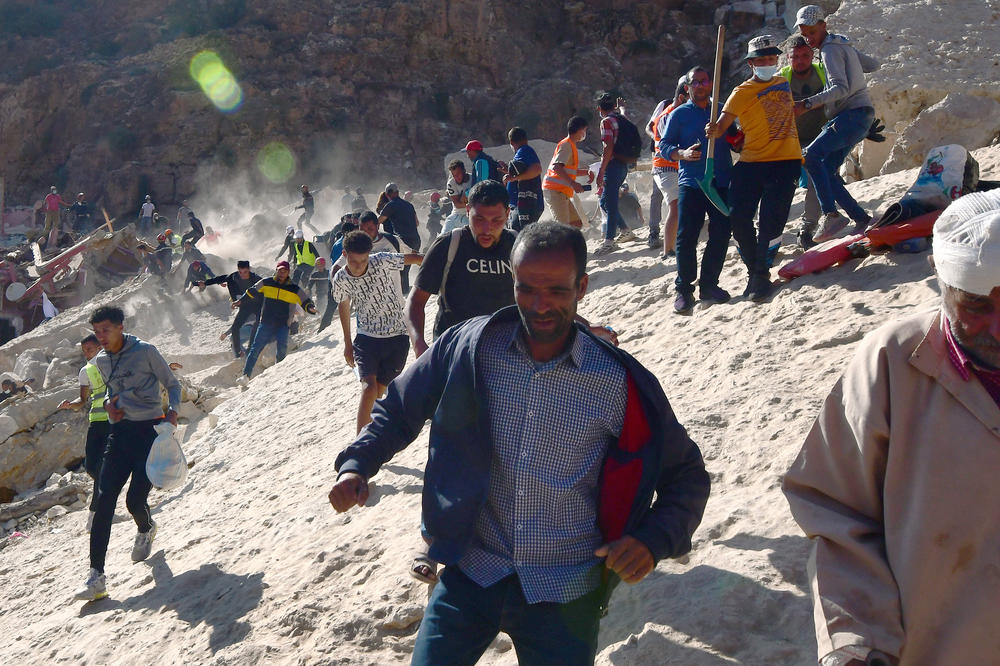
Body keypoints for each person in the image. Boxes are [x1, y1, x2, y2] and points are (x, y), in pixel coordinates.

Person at [329, 222, 710, 664]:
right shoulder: (469, 348)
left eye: (556, 291)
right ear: (512, 283)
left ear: (582, 286)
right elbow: (397, 409)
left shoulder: (618, 382)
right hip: (471, 568)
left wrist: (652, 539)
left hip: (566, 590)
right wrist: (357, 464)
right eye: (527, 289)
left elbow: (687, 476)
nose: (540, 305)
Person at [782, 191, 1000, 666]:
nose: (999, 328)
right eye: (978, 307)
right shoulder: (892, 363)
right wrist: (857, 643)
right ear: (943, 288)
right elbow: (835, 512)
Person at [73, 306, 181, 601]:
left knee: (135, 500)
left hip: (149, 434)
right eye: (97, 332)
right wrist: (109, 404)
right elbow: (110, 391)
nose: (101, 337)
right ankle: (96, 577)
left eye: (105, 330)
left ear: (121, 326)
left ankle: (146, 527)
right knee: (105, 499)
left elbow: (172, 384)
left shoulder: (145, 351)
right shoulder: (101, 361)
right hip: (118, 435)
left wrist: (172, 412)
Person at [707, 35, 802, 302]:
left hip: (786, 162)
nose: (767, 63)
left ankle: (761, 275)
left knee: (771, 221)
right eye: (761, 60)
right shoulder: (741, 92)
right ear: (751, 63)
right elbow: (724, 123)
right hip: (751, 164)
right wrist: (715, 130)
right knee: (738, 218)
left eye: (771, 59)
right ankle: (753, 271)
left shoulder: (783, 82)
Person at [795, 4, 881, 241]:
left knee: (810, 156)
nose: (809, 38)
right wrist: (849, 52)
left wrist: (806, 104)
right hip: (861, 116)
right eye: (805, 33)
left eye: (812, 32)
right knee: (828, 171)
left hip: (850, 114)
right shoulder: (839, 44)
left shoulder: (829, 50)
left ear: (824, 25)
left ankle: (831, 215)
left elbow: (840, 88)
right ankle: (861, 218)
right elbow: (874, 65)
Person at [405, 180, 518, 357]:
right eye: (479, 219)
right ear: (467, 211)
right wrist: (419, 345)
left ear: (508, 214)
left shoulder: (519, 246)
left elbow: (544, 296)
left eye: (496, 220)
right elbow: (415, 302)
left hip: (505, 353)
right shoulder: (448, 245)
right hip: (454, 352)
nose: (487, 229)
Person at [661, 65, 739, 314]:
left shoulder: (722, 112)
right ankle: (684, 290)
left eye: (705, 81)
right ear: (688, 87)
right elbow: (664, 146)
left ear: (711, 84)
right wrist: (682, 153)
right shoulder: (679, 114)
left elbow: (737, 142)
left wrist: (724, 132)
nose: (701, 85)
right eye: (696, 82)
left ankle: (708, 285)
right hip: (692, 182)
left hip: (721, 181)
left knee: (721, 233)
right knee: (686, 237)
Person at [331, 231, 423, 433]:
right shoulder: (340, 278)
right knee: (369, 388)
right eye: (354, 261)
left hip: (398, 337)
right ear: (345, 254)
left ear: (370, 254)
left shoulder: (381, 260)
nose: (359, 266)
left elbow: (417, 259)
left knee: (379, 392)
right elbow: (343, 307)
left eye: (364, 260)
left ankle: (370, 432)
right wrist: (348, 344)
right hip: (366, 338)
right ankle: (360, 445)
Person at [57, 335, 109, 532]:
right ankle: (100, 511)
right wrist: (70, 405)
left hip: (113, 420)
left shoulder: (111, 362)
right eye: (84, 351)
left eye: (90, 349)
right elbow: (82, 400)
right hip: (96, 421)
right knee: (92, 468)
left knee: (102, 470)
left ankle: (96, 516)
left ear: (99, 347)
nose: (87, 354)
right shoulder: (85, 371)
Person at [781, 36, 828, 249]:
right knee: (782, 185)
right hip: (791, 140)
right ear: (789, 58)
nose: (800, 60)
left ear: (812, 55)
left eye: (805, 56)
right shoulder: (782, 79)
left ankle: (807, 227)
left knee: (815, 180)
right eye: (795, 57)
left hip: (820, 136)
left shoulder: (823, 72)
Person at [235, 261, 317, 381]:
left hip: (283, 324)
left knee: (282, 348)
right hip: (266, 322)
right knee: (255, 348)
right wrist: (240, 300)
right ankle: (245, 376)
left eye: (284, 271)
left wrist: (310, 308)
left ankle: (279, 375)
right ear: (276, 270)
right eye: (280, 270)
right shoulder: (267, 282)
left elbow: (305, 301)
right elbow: (252, 290)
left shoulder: (294, 288)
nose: (282, 273)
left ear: (288, 272)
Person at [648, 77, 688, 254]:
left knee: (680, 205)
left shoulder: (676, 113)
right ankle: (667, 250)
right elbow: (668, 144)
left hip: (675, 166)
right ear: (681, 97)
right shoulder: (668, 115)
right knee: (675, 205)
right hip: (664, 166)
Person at [594, 93, 637, 255]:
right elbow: (625, 116)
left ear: (599, 108)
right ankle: (626, 230)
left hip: (612, 166)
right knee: (605, 202)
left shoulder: (606, 122)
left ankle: (609, 241)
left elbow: (608, 147)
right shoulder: (620, 119)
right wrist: (622, 107)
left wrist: (601, 170)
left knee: (610, 204)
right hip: (623, 166)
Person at [202, 260, 264, 358]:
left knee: (234, 340)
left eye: (245, 272)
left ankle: (247, 357)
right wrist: (205, 283)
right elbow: (220, 278)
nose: (242, 275)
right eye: (240, 272)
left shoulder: (257, 280)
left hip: (254, 327)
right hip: (249, 324)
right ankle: (242, 357)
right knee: (234, 344)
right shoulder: (233, 277)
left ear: (249, 270)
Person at [542, 116, 592, 229]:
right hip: (555, 191)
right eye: (584, 130)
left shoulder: (571, 145)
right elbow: (557, 168)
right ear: (579, 130)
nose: (585, 133)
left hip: (561, 192)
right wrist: (573, 184)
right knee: (563, 228)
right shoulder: (567, 145)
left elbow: (569, 171)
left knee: (576, 224)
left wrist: (587, 172)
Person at [501, 127, 544, 232]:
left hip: (526, 205)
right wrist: (510, 172)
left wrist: (514, 178)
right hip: (521, 205)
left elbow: (537, 169)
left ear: (511, 142)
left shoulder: (525, 150)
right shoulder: (524, 152)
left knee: (519, 238)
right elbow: (527, 171)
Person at [442, 160, 472, 234]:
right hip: (457, 214)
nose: (456, 177)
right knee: (442, 238)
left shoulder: (473, 179)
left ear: (464, 171)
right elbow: (457, 204)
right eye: (454, 175)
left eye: (458, 174)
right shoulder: (451, 183)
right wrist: (469, 203)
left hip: (470, 215)